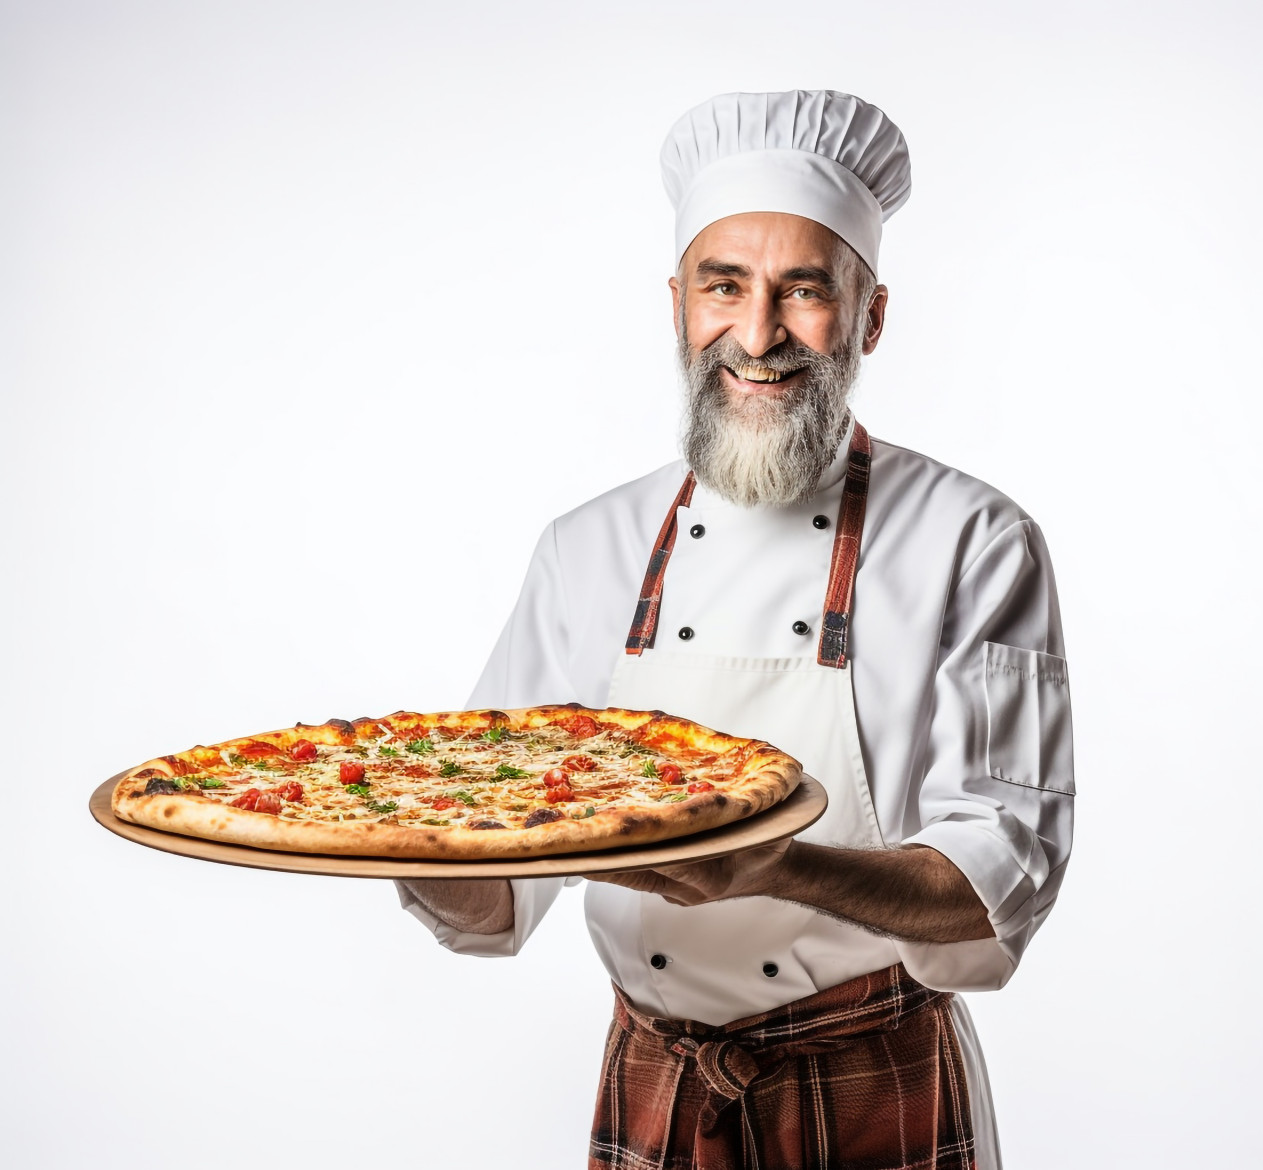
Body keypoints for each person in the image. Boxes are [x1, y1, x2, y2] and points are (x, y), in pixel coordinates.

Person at [396, 89, 1074, 1170]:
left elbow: (1001, 870)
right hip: (656, 1077)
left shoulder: (974, 540)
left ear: (869, 315)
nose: (755, 335)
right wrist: (393, 840)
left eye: (802, 291)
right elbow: (494, 877)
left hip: (867, 1076)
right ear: (676, 303)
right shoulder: (586, 548)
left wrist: (774, 868)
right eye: (723, 287)